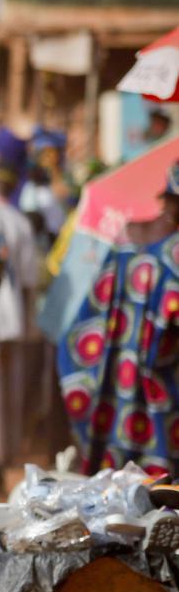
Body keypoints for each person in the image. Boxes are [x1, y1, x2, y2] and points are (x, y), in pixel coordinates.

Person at [57, 163, 179, 475]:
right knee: (161, 467)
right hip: (161, 377)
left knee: (116, 462)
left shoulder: (127, 233)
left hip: (113, 370)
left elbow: (97, 301)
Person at [0, 165, 39, 471]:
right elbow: (29, 278)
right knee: (8, 389)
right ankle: (7, 452)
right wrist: (29, 323)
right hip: (11, 316)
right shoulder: (20, 222)